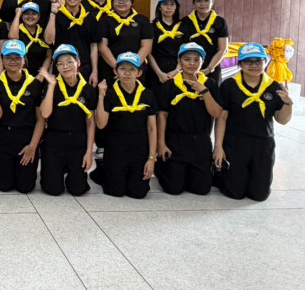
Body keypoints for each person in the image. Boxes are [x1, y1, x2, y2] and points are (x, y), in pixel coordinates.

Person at [214, 43, 292, 201]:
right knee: (235, 193)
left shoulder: (274, 87)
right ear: (240, 64)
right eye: (248, 61)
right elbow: (222, 117)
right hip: (235, 143)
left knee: (259, 195)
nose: (254, 65)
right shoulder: (229, 85)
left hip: (263, 144)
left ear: (265, 62)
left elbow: (282, 120)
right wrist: (218, 147)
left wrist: (288, 103)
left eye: (258, 61)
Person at [156, 42, 223, 195]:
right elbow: (162, 115)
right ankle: (163, 168)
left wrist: (204, 91)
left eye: (196, 60)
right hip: (175, 141)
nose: (192, 63)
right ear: (179, 62)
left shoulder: (210, 84)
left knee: (201, 190)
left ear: (202, 62)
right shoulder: (170, 85)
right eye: (187, 59)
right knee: (174, 189)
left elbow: (216, 113)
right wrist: (161, 143)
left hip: (200, 141)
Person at [0, 40, 44, 193]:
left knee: (26, 187)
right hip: (3, 138)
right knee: (4, 186)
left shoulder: (35, 84)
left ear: (24, 60)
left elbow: (41, 119)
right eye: (8, 57)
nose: (13, 61)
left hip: (26, 137)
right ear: (2, 60)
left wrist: (33, 147)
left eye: (17, 57)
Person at [95, 52, 158, 199]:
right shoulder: (110, 94)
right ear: (115, 71)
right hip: (116, 148)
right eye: (123, 69)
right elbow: (101, 124)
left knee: (138, 193)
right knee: (116, 191)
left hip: (139, 149)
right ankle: (101, 169)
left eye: (132, 69)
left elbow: (152, 128)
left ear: (139, 73)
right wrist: (101, 96)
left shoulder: (148, 95)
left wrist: (151, 158)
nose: (127, 73)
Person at [37, 44, 97, 196]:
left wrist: (89, 151)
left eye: (69, 61)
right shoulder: (52, 86)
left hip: (78, 141)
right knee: (53, 189)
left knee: (77, 189)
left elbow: (90, 122)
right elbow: (45, 114)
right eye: (60, 63)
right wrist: (51, 86)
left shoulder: (88, 89)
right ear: (56, 67)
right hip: (55, 140)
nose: (65, 66)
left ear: (78, 62)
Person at [97, 0, 153, 83]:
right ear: (112, 2)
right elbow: (102, 47)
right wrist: (118, 69)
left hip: (136, 71)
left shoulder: (142, 20)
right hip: (111, 70)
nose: (121, 2)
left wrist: (133, 69)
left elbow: (146, 46)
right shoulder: (105, 20)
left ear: (131, 2)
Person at [53, 0, 99, 85]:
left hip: (85, 66)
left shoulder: (90, 17)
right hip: (63, 67)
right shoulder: (57, 16)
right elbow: (51, 42)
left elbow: (93, 46)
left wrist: (95, 71)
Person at [180, 0, 229, 83]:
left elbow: (223, 49)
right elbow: (182, 47)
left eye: (206, 0)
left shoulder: (220, 22)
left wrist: (209, 68)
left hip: (212, 67)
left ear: (213, 1)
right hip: (190, 68)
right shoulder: (186, 21)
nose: (202, 4)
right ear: (193, 3)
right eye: (198, 1)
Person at [147, 0, 184, 95]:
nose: (169, 7)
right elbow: (148, 53)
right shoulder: (151, 27)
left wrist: (177, 70)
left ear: (176, 7)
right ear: (159, 7)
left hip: (178, 70)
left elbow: (186, 51)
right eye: (165, 4)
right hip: (156, 71)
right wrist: (159, 74)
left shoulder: (184, 26)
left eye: (172, 4)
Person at [8, 2, 52, 77]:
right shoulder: (17, 31)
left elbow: (49, 54)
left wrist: (42, 73)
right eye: (27, 14)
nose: (30, 16)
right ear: (22, 16)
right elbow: (12, 38)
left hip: (40, 75)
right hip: (21, 75)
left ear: (38, 16)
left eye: (33, 14)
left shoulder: (43, 32)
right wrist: (18, 14)